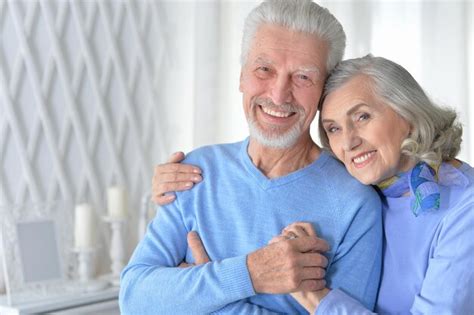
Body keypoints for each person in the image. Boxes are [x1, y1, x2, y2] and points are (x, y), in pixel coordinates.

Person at [154, 55, 474, 314]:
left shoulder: (465, 208)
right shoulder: (365, 189)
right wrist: (167, 184)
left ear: (409, 115)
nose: (348, 141)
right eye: (333, 128)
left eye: (362, 117)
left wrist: (316, 297)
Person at [120, 1, 383, 314]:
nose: (278, 94)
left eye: (302, 77)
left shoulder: (354, 201)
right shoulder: (194, 173)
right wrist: (251, 273)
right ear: (242, 75)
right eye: (264, 69)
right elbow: (135, 299)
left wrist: (202, 296)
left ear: (324, 93)